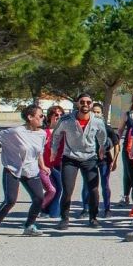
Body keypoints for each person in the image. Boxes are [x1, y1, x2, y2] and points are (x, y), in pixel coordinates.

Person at [0, 104, 50, 239]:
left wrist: (42, 166)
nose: (43, 118)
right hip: (13, 169)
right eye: (41, 115)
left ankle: (29, 226)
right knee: (10, 200)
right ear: (30, 117)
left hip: (31, 170)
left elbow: (39, 151)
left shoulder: (42, 134)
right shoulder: (16, 132)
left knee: (39, 198)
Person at [51, 93, 113, 230]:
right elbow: (56, 135)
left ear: (91, 104)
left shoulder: (97, 121)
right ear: (77, 103)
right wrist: (54, 150)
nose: (85, 105)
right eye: (82, 102)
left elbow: (103, 135)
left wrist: (102, 148)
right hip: (70, 158)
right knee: (67, 190)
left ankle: (93, 217)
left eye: (88, 102)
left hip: (89, 158)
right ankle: (64, 218)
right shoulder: (66, 120)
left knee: (94, 189)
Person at [116, 93, 133, 212]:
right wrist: (116, 142)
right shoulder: (127, 115)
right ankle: (128, 198)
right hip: (128, 149)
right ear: (132, 102)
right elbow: (120, 129)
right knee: (129, 175)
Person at [40, 105, 65, 218]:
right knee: (53, 189)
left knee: (59, 189)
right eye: (56, 115)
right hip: (46, 166)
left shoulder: (65, 132)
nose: (58, 117)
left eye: (61, 115)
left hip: (60, 164)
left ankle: (51, 211)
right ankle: (44, 208)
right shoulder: (44, 133)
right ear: (50, 117)